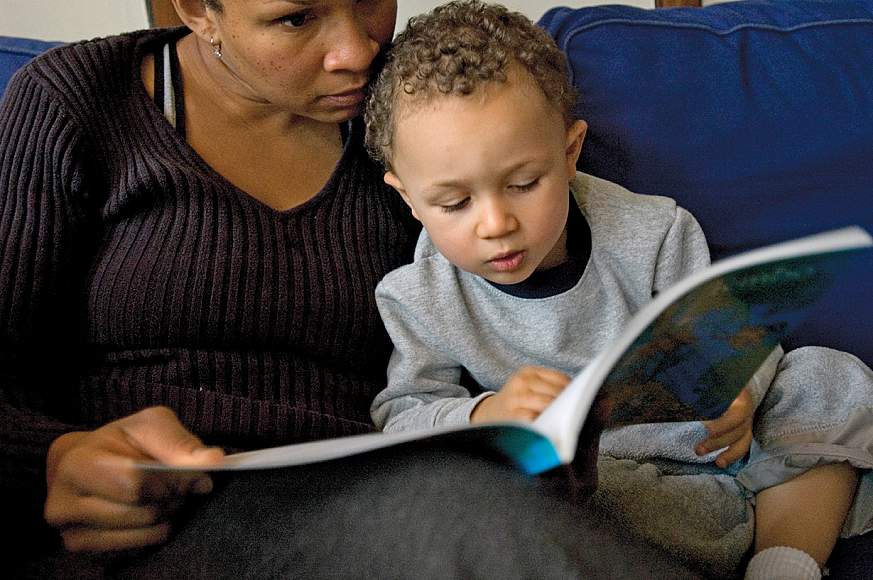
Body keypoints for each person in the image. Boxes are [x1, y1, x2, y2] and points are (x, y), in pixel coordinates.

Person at [0, 0, 710, 578]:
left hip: (381, 494)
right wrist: (54, 458)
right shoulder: (76, 102)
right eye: (295, 18)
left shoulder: (418, 120)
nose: (357, 52)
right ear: (198, 10)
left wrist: (691, 382)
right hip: (154, 523)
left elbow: (570, 256)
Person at [363, 1, 873, 578]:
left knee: (827, 377)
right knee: (493, 492)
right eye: (454, 204)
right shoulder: (417, 295)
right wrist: (485, 413)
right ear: (406, 196)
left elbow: (739, 335)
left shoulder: (654, 231)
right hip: (606, 484)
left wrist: (741, 392)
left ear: (570, 151)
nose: (495, 223)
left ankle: (784, 560)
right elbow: (402, 416)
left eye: (526, 183)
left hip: (720, 451)